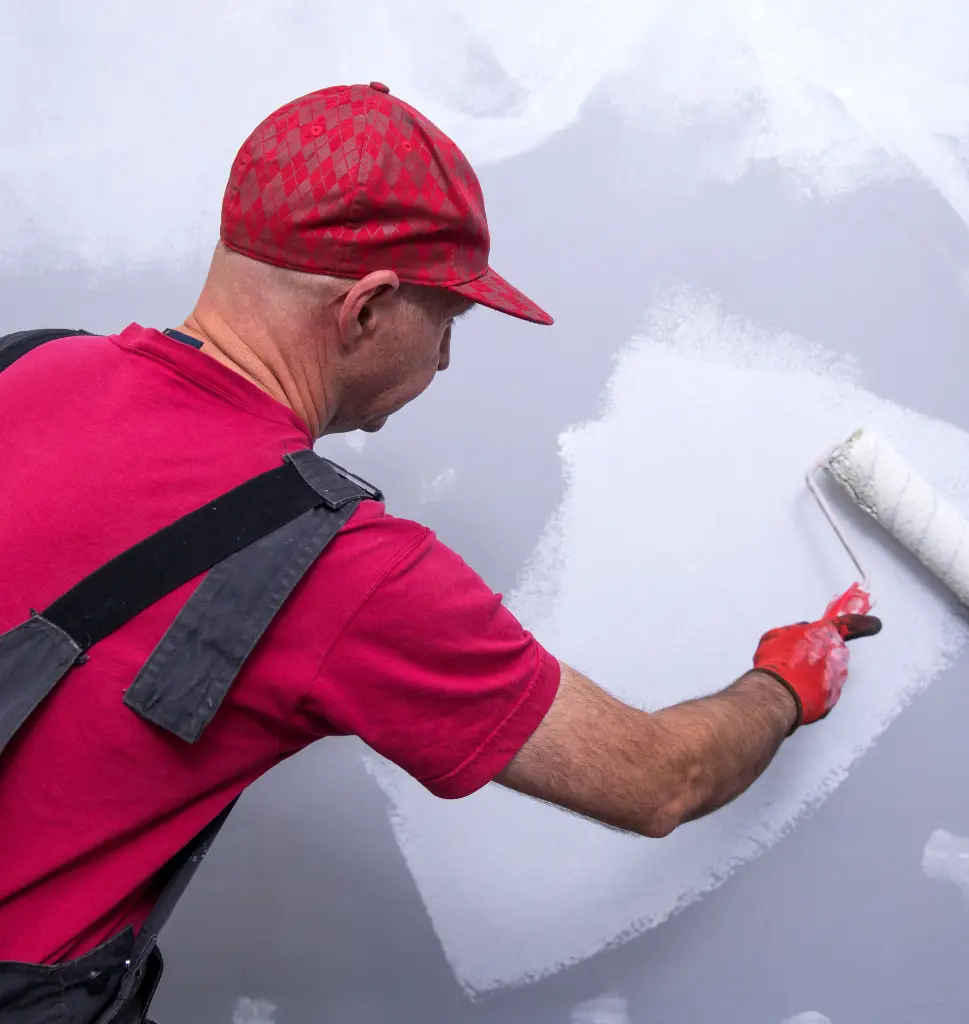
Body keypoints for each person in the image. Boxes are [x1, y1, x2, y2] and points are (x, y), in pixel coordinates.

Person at [0, 82, 881, 1022]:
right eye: (449, 322)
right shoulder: (340, 571)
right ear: (367, 309)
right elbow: (661, 779)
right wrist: (785, 686)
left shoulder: (26, 363)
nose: (448, 361)